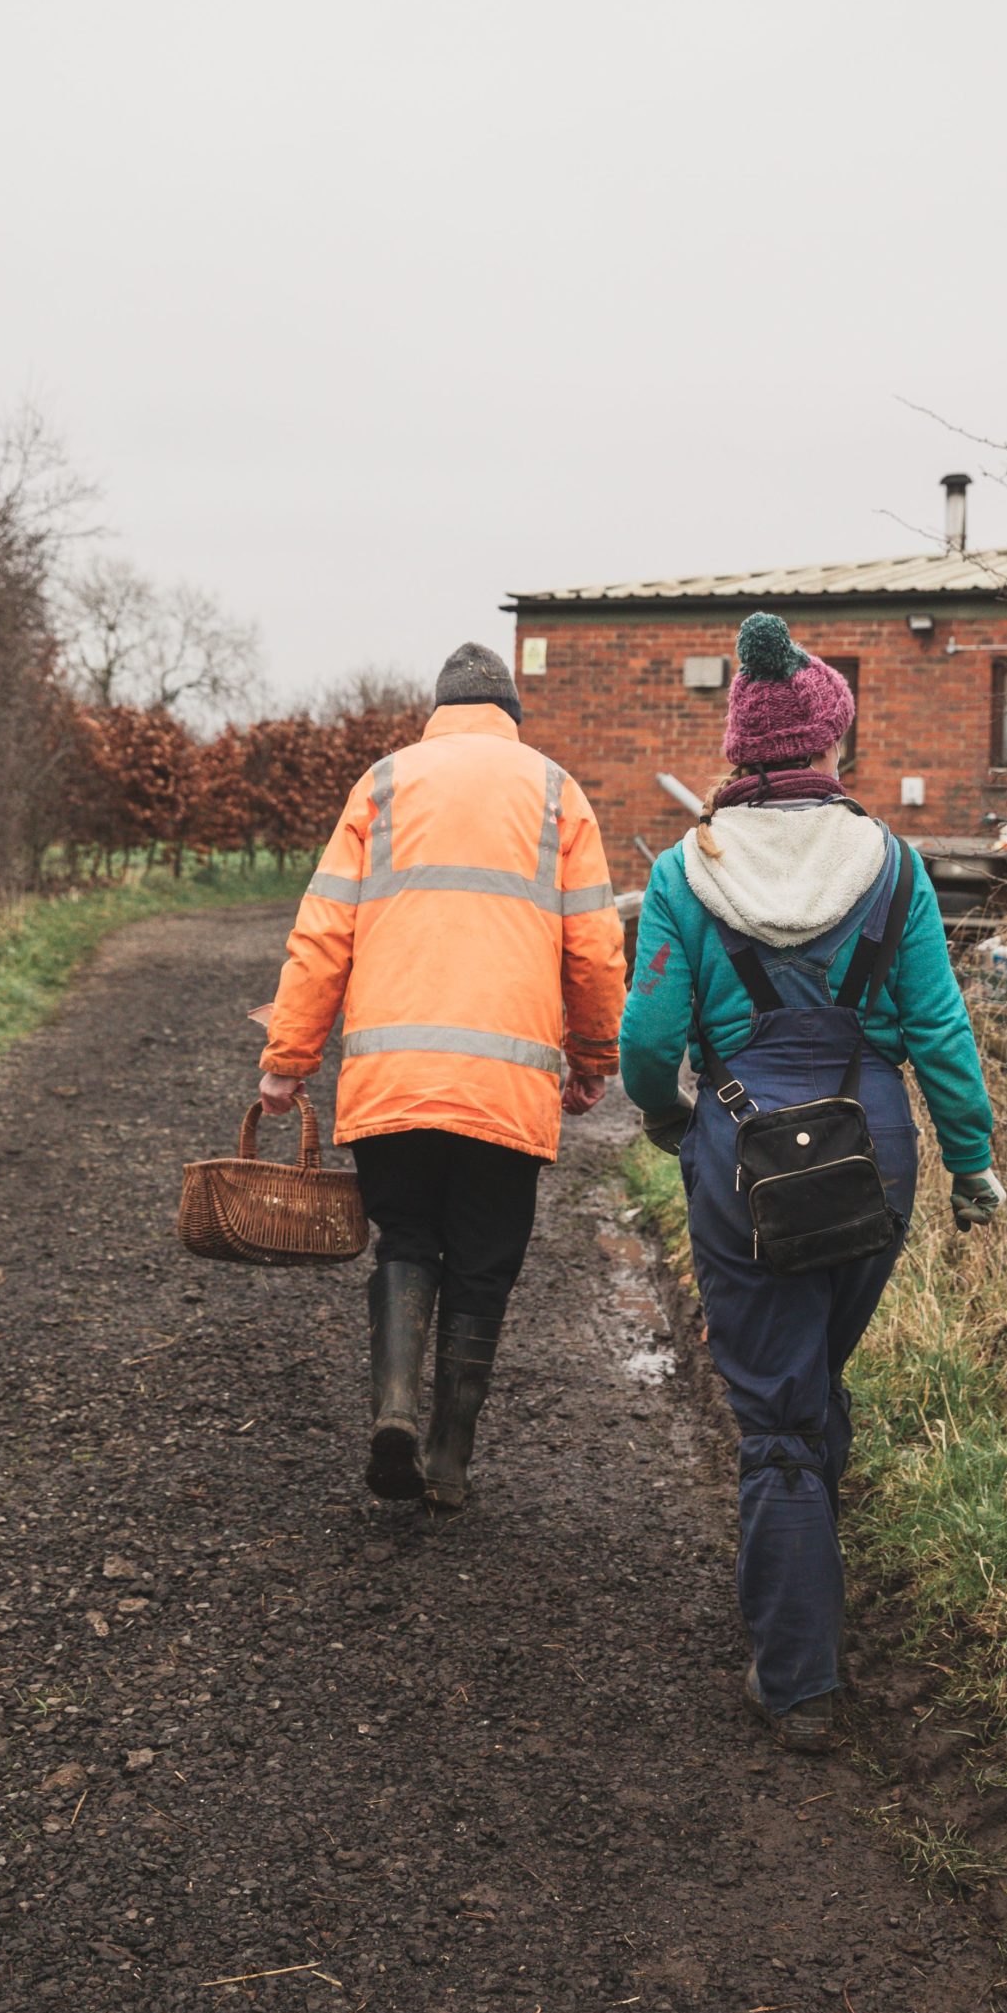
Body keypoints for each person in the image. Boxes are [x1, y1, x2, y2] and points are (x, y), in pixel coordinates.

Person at [620, 613, 1003, 1751]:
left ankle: (797, 1680)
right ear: (829, 745)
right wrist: (973, 1167)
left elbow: (650, 1035)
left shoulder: (688, 870)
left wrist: (667, 1115)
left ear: (740, 751)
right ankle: (809, 1580)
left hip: (744, 1153)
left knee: (778, 1408)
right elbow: (938, 1030)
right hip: (872, 1151)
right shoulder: (894, 863)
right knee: (810, 1372)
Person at [260, 642, 627, 1510]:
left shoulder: (383, 784)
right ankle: (450, 1455)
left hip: (394, 1074)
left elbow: (322, 937)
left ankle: (392, 1407)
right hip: (504, 1086)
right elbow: (595, 950)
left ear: (437, 710)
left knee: (405, 1239)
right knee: (484, 1264)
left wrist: (288, 1059)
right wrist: (592, 1058)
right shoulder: (553, 791)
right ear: (510, 715)